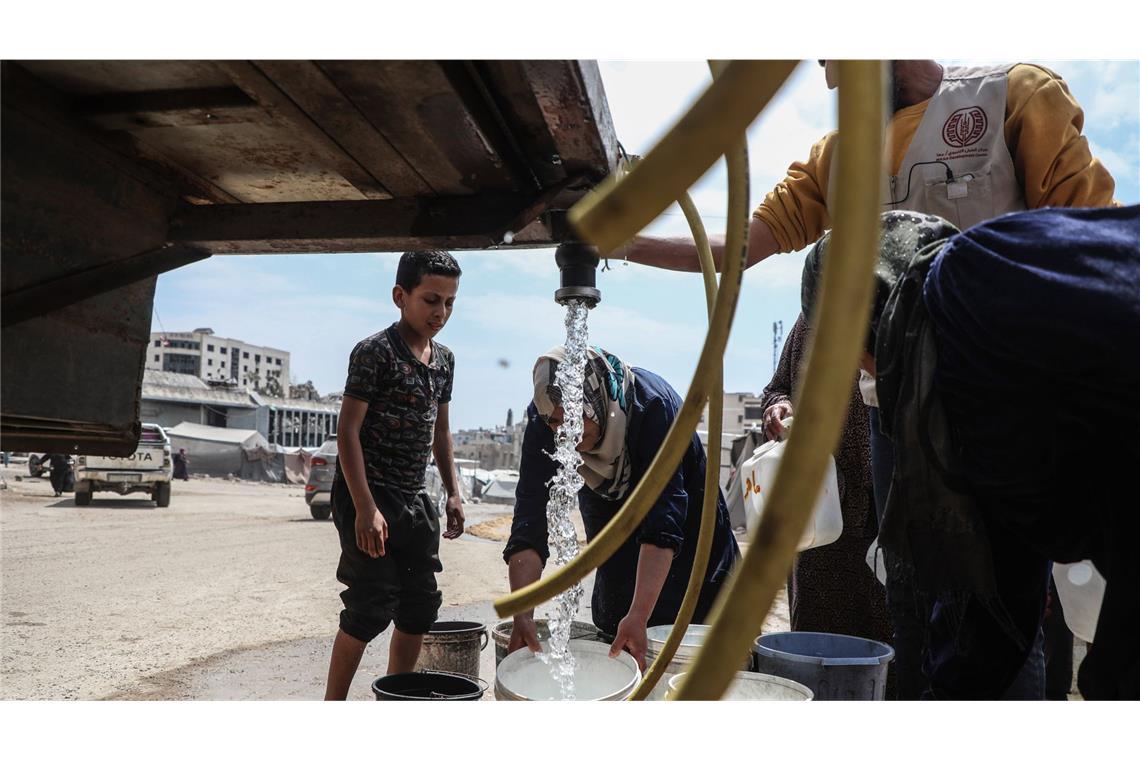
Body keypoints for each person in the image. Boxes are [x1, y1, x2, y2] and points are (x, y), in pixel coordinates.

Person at [623, 58, 1118, 699]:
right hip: (894, 422)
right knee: (909, 607)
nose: (829, 78)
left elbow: (1090, 244)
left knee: (997, 619)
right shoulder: (836, 157)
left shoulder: (1014, 99)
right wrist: (625, 244)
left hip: (998, 412)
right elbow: (742, 244)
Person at [800, 206, 1139, 699]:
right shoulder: (994, 266)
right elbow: (1002, 586)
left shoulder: (959, 335)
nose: (866, 373)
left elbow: (993, 585)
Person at [504, 346, 739, 670]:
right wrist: (523, 614)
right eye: (557, 423)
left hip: (695, 556)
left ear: (598, 403)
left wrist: (639, 615)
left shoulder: (653, 408)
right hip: (616, 537)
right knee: (616, 625)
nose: (566, 435)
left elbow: (663, 524)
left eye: (575, 420)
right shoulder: (545, 416)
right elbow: (529, 520)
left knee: (691, 661)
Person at [323, 250, 466, 700]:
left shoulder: (445, 360)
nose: (440, 313)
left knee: (419, 606)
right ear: (400, 296)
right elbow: (347, 431)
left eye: (449, 302)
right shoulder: (375, 352)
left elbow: (440, 431)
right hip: (367, 493)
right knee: (370, 604)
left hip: (413, 496)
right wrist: (365, 508)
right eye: (430, 300)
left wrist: (454, 492)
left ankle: (395, 699)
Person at [760, 315, 893, 677]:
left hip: (887, 519)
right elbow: (777, 388)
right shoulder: (809, 322)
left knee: (888, 656)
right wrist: (779, 407)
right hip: (820, 525)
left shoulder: (894, 308)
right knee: (817, 651)